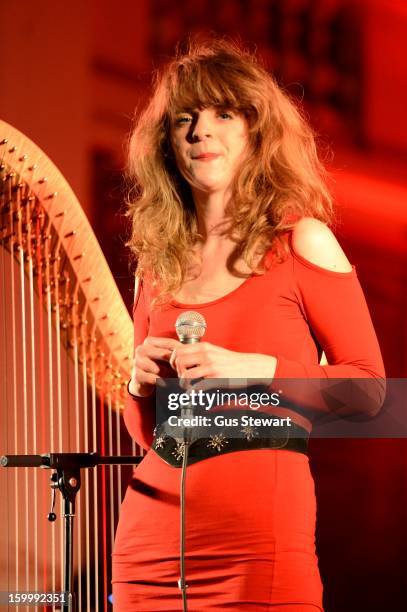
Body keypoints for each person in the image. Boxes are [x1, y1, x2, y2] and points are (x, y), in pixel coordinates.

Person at [112, 38, 385, 611]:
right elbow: (151, 437)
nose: (199, 132)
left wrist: (252, 369)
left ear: (256, 131)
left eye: (222, 114)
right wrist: (138, 385)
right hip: (149, 546)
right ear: (167, 143)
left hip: (258, 544)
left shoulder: (300, 240)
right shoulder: (156, 263)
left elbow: (369, 390)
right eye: (184, 119)